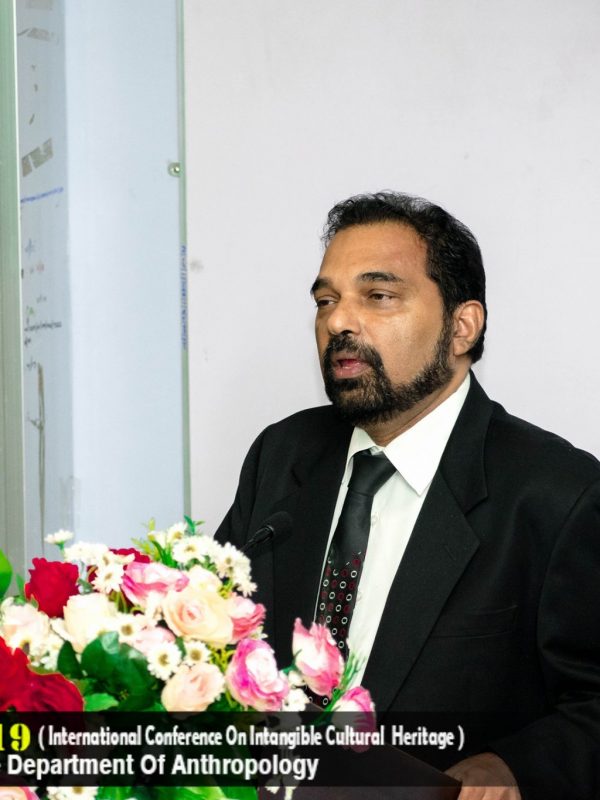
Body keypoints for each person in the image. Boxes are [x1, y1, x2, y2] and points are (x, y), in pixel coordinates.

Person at [216, 192, 600, 800]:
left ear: (462, 326)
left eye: (378, 296)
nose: (339, 322)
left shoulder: (558, 495)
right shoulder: (282, 455)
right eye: (326, 300)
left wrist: (510, 766)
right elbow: (215, 627)